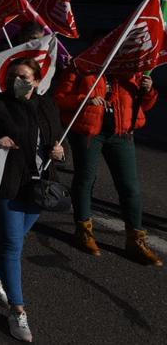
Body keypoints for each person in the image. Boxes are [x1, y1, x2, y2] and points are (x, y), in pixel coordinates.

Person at [0, 59, 67, 343]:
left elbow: (57, 140)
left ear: (36, 80)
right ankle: (17, 310)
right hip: (8, 183)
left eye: (23, 76)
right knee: (12, 244)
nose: (16, 81)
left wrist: (60, 152)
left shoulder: (47, 105)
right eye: (12, 77)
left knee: (14, 238)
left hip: (39, 188)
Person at [53, 63, 160, 266]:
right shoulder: (81, 66)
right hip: (88, 133)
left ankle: (135, 240)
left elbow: (142, 106)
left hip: (121, 134)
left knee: (130, 187)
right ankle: (83, 231)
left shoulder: (131, 70)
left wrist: (148, 91)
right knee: (86, 179)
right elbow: (60, 99)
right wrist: (85, 100)